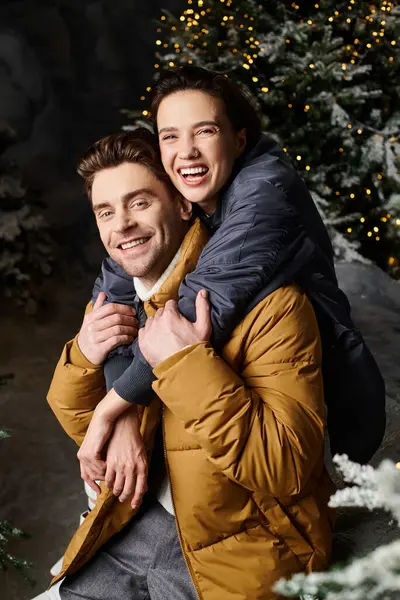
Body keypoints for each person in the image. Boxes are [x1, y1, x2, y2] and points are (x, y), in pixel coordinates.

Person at [35, 130, 333, 599]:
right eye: (106, 212)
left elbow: (287, 468)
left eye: (139, 203)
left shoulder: (273, 306)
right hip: (139, 524)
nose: (122, 226)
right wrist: (85, 362)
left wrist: (185, 366)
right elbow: (93, 445)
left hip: (247, 544)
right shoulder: (117, 302)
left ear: (182, 204)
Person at [77, 65, 385, 498]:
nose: (186, 153)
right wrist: (125, 412)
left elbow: (192, 312)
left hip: (326, 409)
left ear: (238, 139)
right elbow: (117, 295)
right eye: (170, 136)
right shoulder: (186, 192)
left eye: (204, 131)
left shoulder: (266, 190)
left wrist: (112, 408)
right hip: (232, 394)